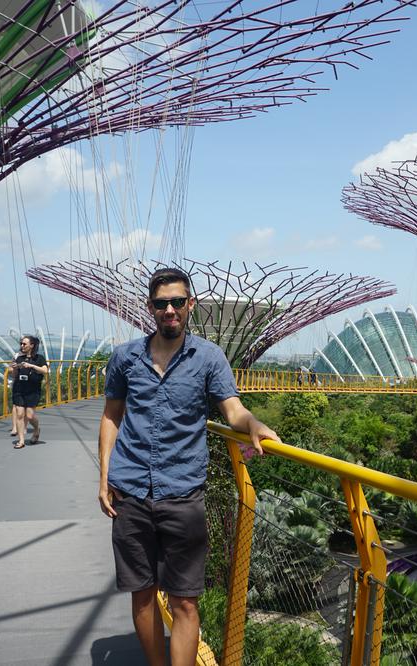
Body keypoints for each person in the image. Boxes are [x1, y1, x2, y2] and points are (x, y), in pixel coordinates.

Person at [98, 267, 281, 666]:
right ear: (150, 308)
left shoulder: (209, 357)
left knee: (184, 602)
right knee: (142, 595)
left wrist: (254, 425)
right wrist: (103, 478)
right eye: (162, 303)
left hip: (182, 494)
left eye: (177, 302)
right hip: (130, 491)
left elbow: (233, 410)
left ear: (190, 305)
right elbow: (111, 416)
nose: (169, 310)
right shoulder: (125, 357)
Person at [11, 335, 48, 449]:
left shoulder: (39, 358)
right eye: (21, 344)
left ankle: (36, 429)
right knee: (20, 414)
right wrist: (14, 369)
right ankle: (21, 440)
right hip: (19, 389)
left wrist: (31, 365)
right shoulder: (19, 358)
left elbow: (45, 371)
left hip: (33, 390)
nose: (22, 346)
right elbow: (14, 375)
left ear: (32, 345)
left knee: (30, 415)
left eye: (24, 344)